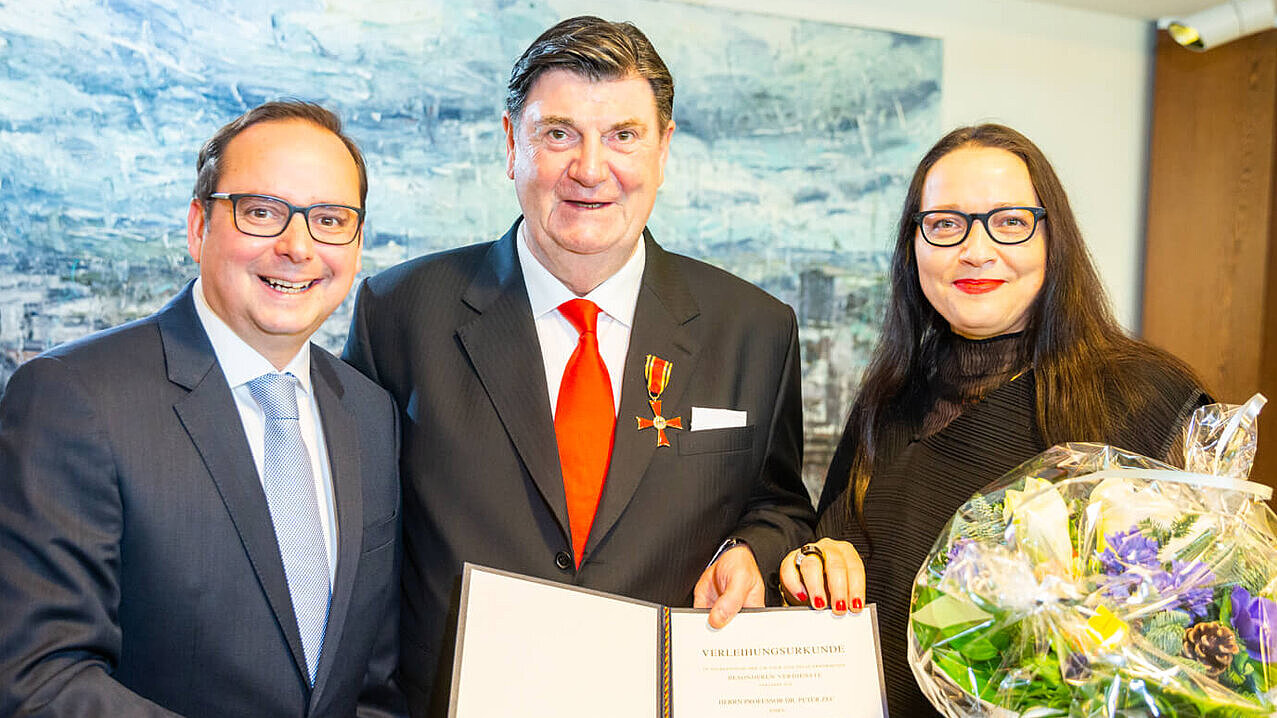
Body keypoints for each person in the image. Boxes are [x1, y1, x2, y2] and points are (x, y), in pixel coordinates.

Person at [342, 16, 815, 715]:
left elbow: (780, 509)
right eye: (558, 133)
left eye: (623, 136)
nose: (590, 170)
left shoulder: (754, 329)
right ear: (511, 145)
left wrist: (752, 551)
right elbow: (355, 538)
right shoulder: (400, 311)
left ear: (663, 151)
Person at [778, 124, 1208, 716]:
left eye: (1009, 221)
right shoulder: (888, 402)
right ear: (915, 246)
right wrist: (810, 561)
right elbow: (834, 559)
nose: (975, 250)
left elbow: (1205, 641)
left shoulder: (1146, 400)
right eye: (946, 224)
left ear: (1053, 240)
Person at [0, 101, 405, 717]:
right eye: (262, 212)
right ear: (198, 227)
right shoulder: (74, 398)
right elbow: (40, 677)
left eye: (329, 219)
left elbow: (372, 689)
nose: (298, 246)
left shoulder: (371, 416)